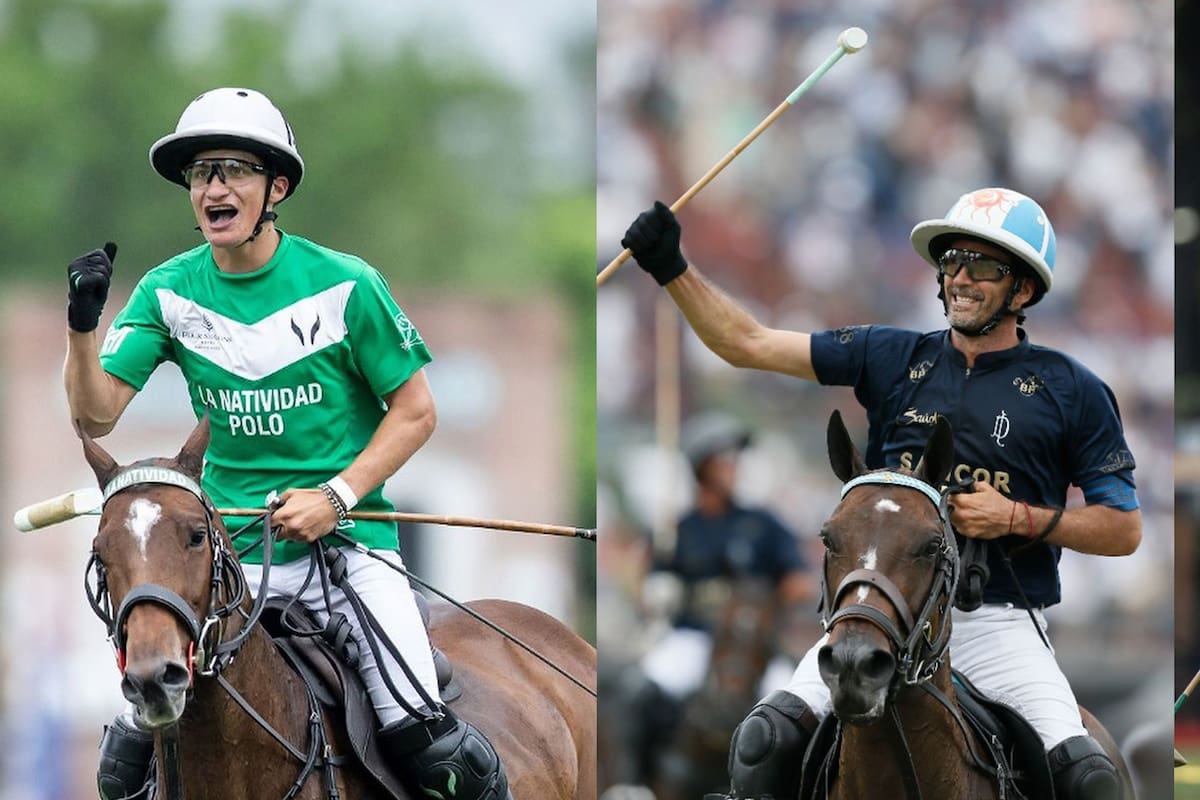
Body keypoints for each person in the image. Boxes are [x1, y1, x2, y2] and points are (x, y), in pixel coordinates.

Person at [64, 87, 511, 800]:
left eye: (234, 169)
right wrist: (82, 329)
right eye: (201, 172)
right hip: (227, 562)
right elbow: (97, 413)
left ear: (276, 187)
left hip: (350, 547)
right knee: (126, 763)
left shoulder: (345, 284)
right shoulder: (167, 292)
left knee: (429, 745)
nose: (214, 187)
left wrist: (338, 496)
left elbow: (416, 412)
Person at [621, 187, 1141, 800]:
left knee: (1090, 777)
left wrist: (1019, 518)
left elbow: (1123, 528)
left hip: (999, 625)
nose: (961, 279)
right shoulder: (892, 357)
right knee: (762, 743)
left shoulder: (1073, 389)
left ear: (1022, 290)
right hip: (881, 613)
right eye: (952, 263)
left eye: (984, 267)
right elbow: (748, 343)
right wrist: (671, 269)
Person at [633, 413, 810, 783]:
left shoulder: (762, 523)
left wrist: (762, 604)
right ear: (701, 467)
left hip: (752, 646)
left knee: (796, 708)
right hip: (694, 638)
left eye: (735, 459)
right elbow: (644, 581)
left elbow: (801, 581)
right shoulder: (677, 529)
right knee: (643, 693)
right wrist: (657, 589)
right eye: (724, 459)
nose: (733, 467)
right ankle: (640, 783)